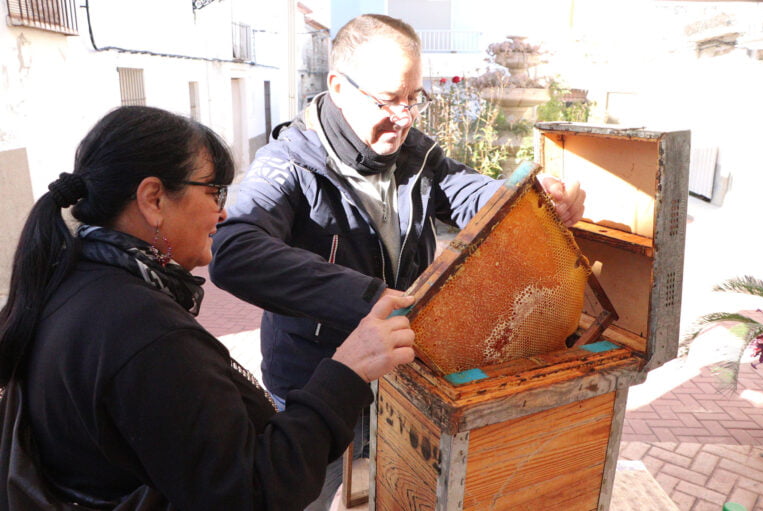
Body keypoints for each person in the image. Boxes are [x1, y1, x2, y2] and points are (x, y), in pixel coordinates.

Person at [209, 13, 586, 510]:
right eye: (389, 99)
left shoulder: (413, 152)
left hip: (402, 373)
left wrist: (528, 199)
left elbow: (462, 187)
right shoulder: (288, 164)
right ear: (339, 87)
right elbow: (234, 249)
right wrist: (367, 298)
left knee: (397, 488)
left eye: (414, 98)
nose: (405, 116)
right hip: (318, 381)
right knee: (301, 496)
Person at [0, 105, 415, 511]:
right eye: (214, 191)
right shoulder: (143, 331)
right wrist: (348, 369)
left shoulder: (75, 279)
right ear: (153, 200)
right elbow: (250, 491)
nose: (223, 211)